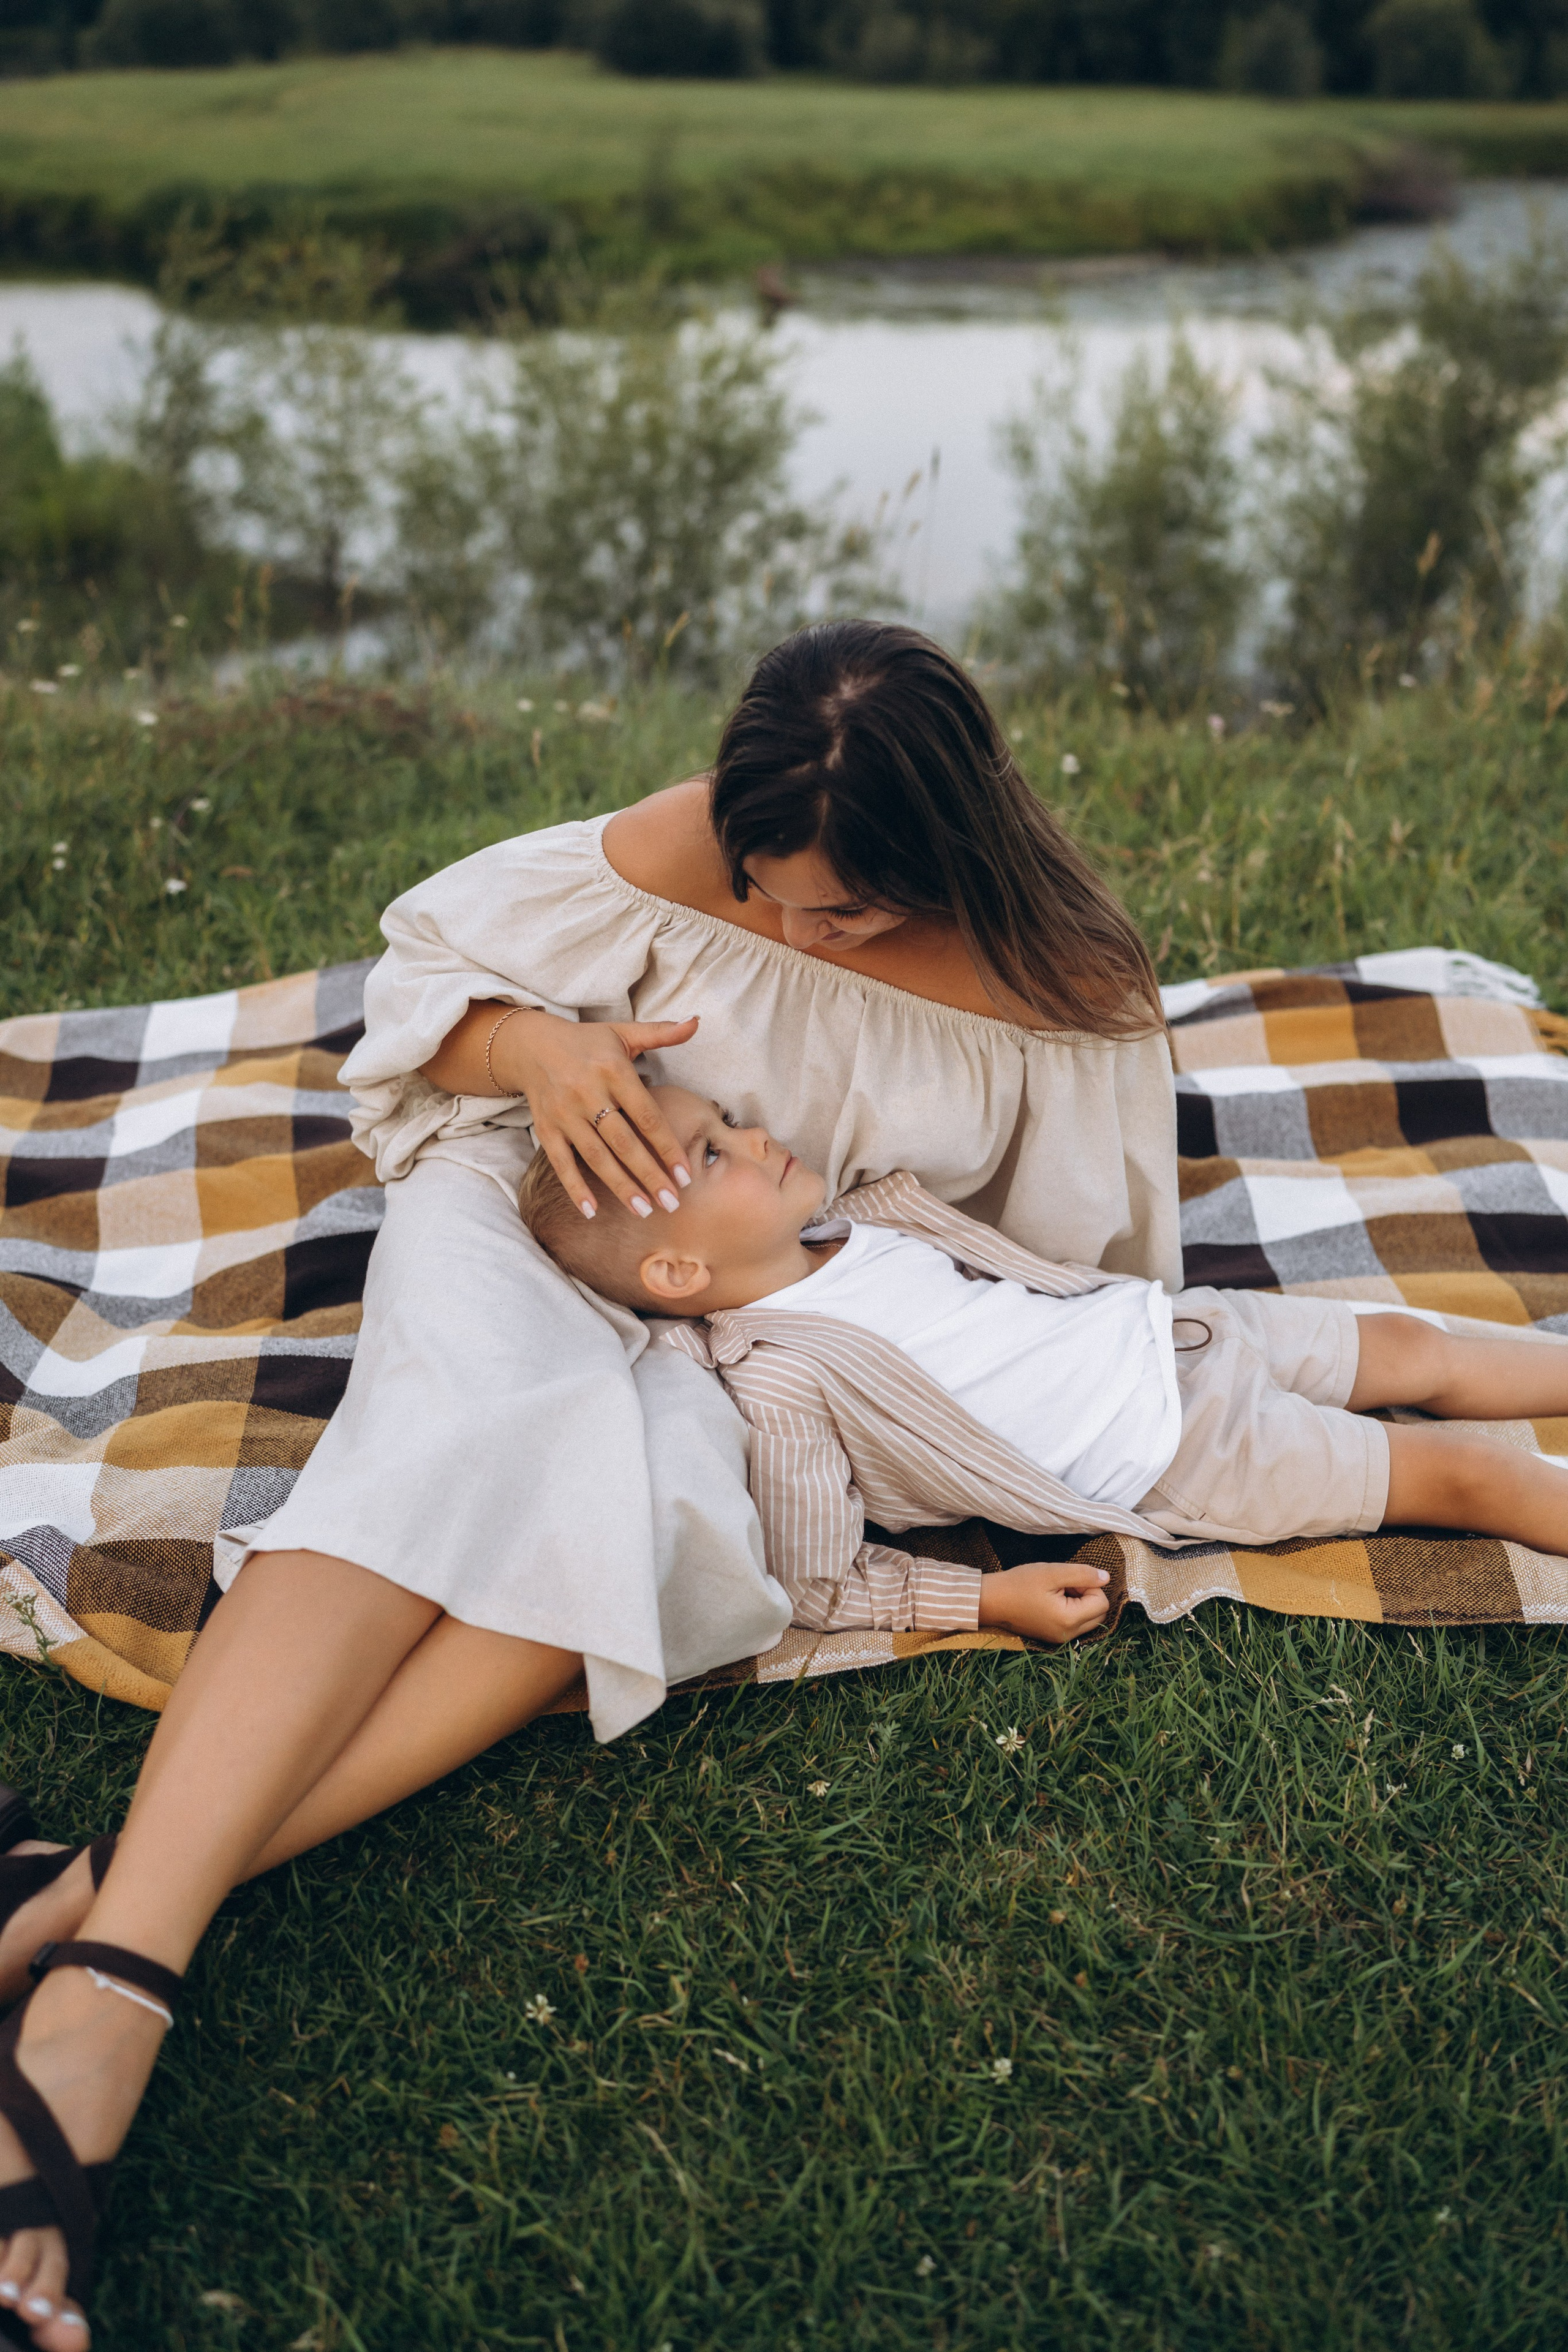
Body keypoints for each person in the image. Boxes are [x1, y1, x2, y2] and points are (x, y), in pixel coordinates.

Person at [0, 621, 1177, 2348]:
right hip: (533, 1198)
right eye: (759, 892)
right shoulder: (698, 839)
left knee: (668, 1530)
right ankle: (113, 1994)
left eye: (834, 919)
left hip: (756, 1311)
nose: (780, 935)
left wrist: (787, 1293)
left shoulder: (1067, 996)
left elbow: (1049, 1280)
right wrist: (542, 1056)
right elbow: (429, 990)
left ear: (951, 856)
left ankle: (81, 1892)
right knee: (477, 1427)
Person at [524, 1083, 1568, 1626]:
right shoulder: (780, 1377)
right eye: (714, 1155)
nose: (754, 1138)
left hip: (1181, 1332)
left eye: (729, 1121)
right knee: (1467, 1473)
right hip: (1182, 1449)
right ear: (673, 1276)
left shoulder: (849, 1220)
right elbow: (816, 1581)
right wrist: (981, 1598)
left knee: (1417, 1348)